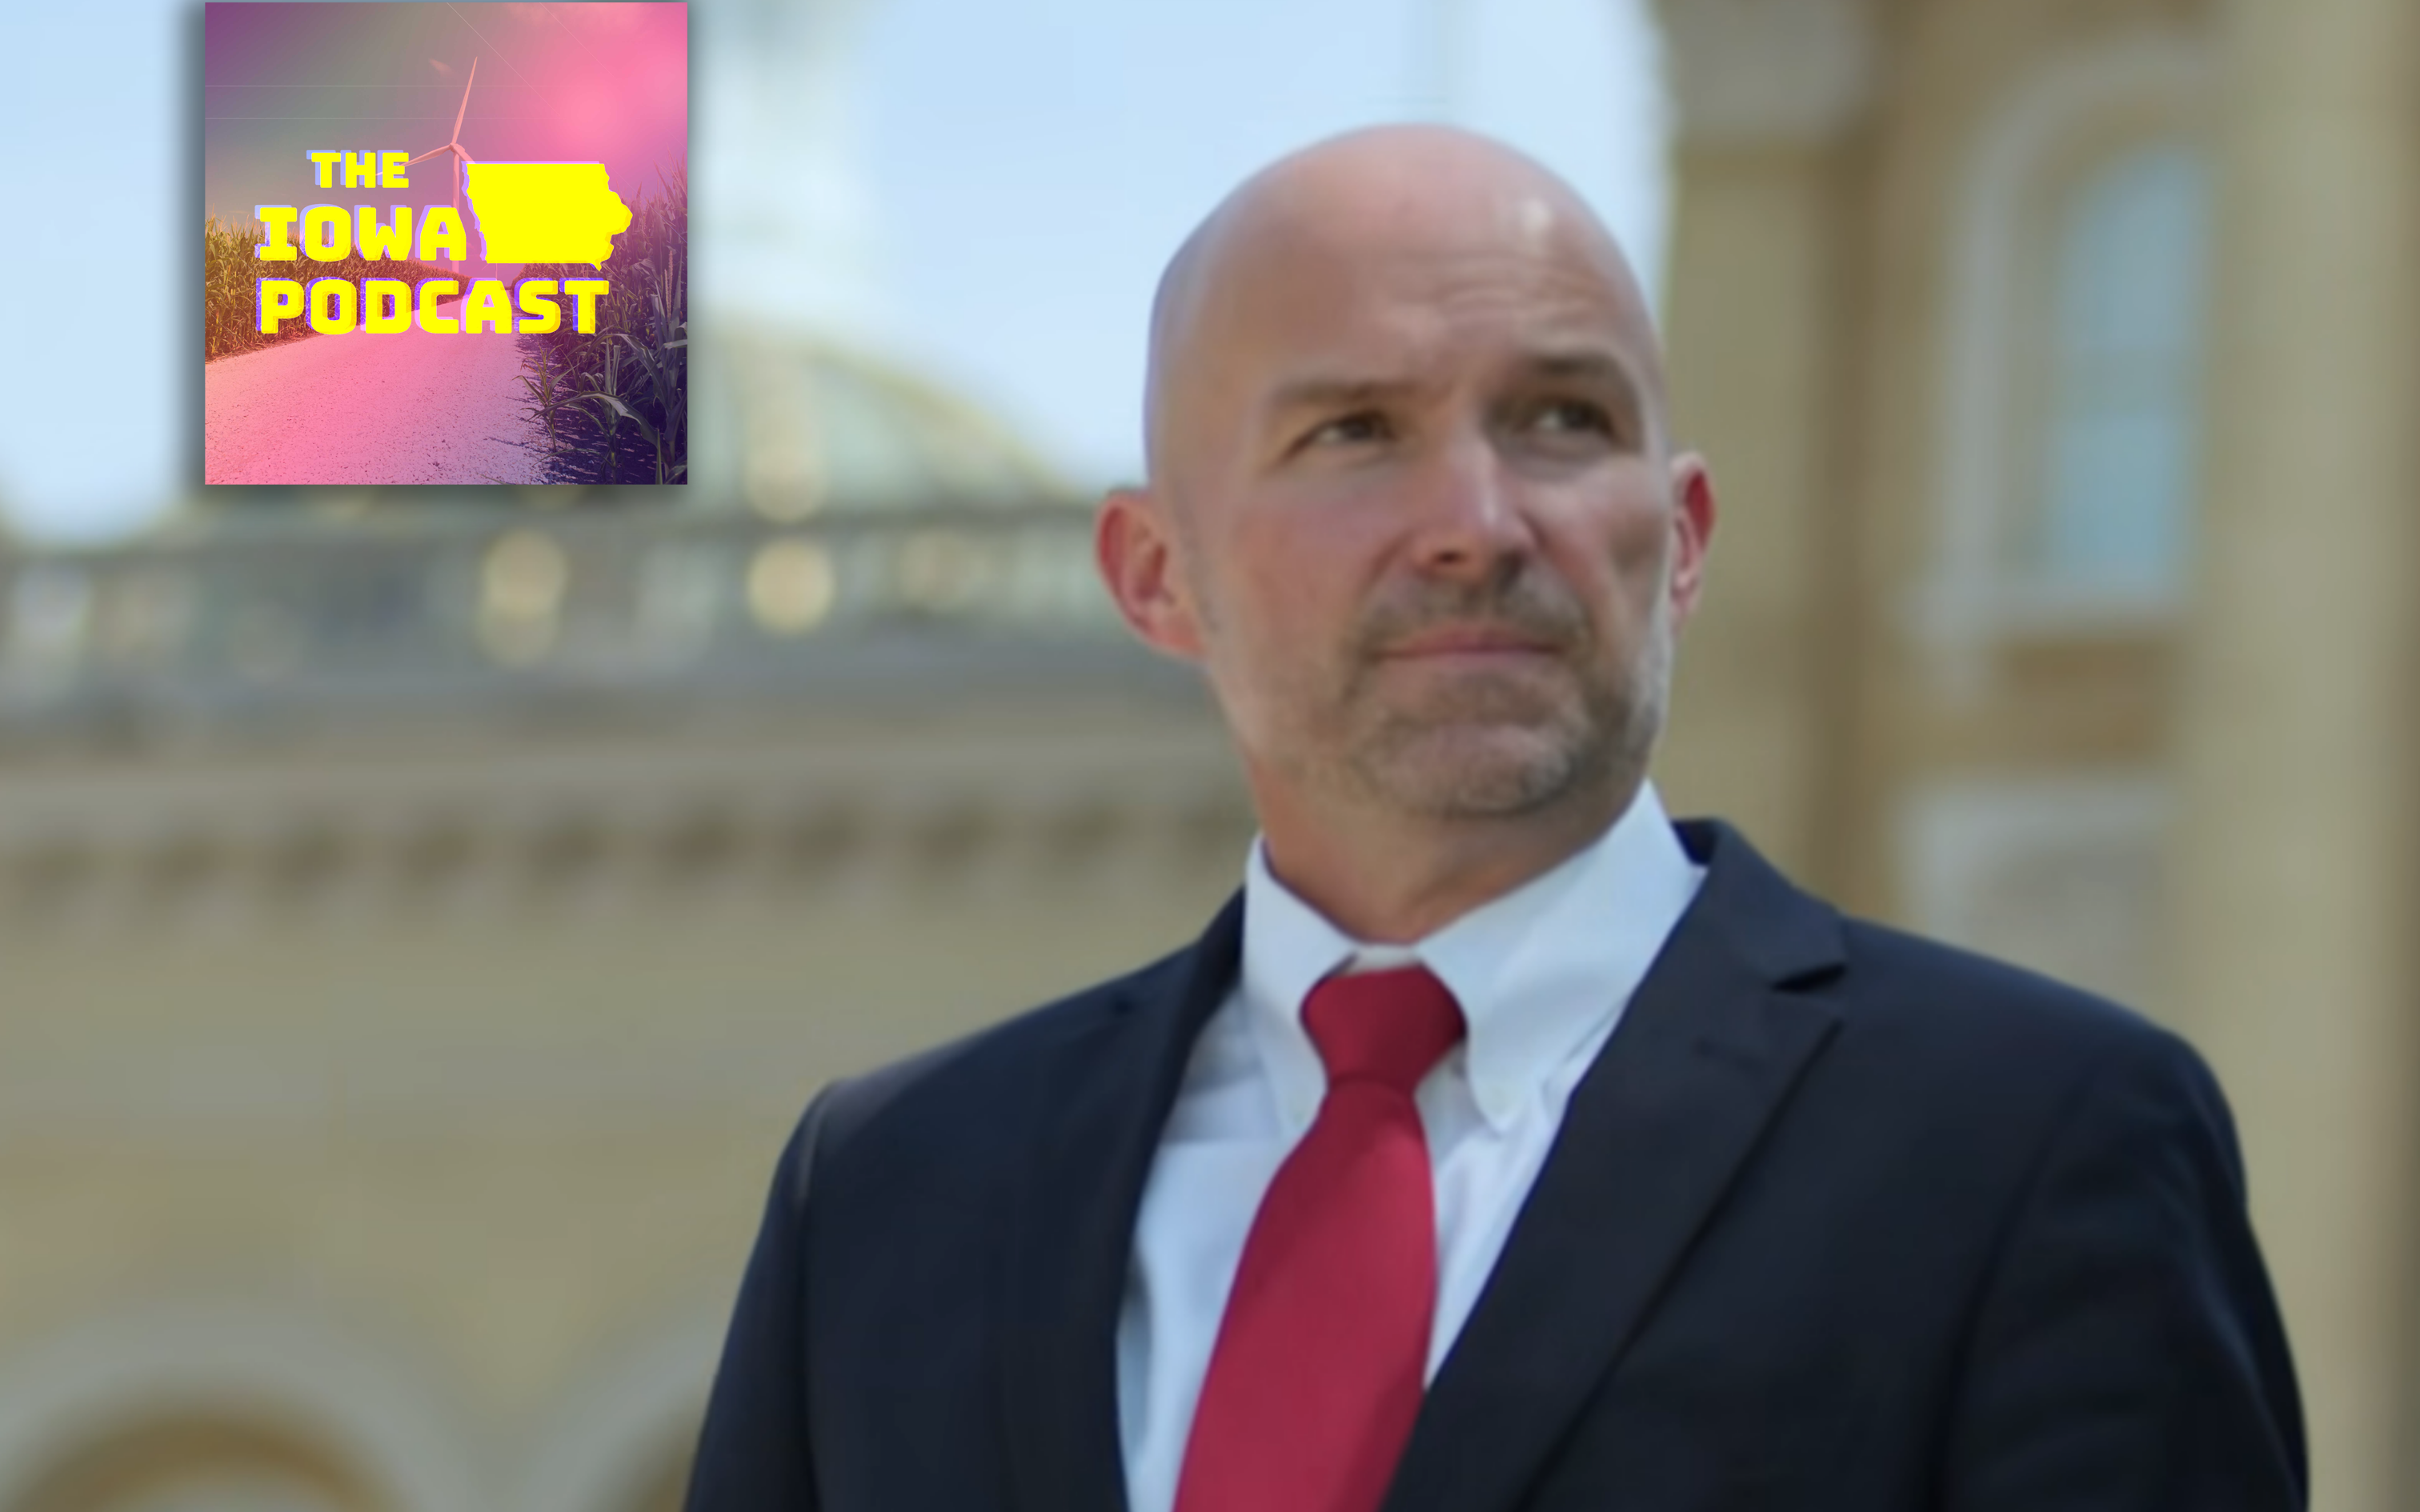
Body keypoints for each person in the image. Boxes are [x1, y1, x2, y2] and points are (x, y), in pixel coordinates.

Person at [685, 125, 2305, 1512]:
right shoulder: (893, 1193)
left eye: (1562, 422)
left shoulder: (2033, 1144)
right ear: (1154, 575)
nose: (1474, 523)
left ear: (1679, 543)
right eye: (1354, 433)